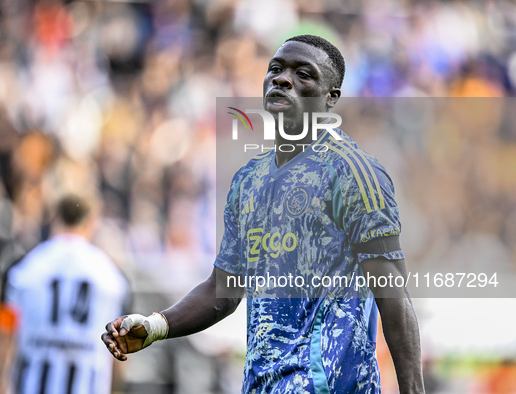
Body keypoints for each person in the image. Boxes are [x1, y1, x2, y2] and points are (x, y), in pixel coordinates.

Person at [102, 35, 424, 393]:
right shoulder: (249, 181)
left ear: (331, 97)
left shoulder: (354, 173)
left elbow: (392, 291)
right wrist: (155, 326)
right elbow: (221, 292)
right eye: (275, 69)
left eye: (303, 73)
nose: (282, 79)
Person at [0, 194, 131, 394]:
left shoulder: (22, 270)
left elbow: (4, 338)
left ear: (53, 219)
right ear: (92, 223)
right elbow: (121, 354)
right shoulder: (113, 279)